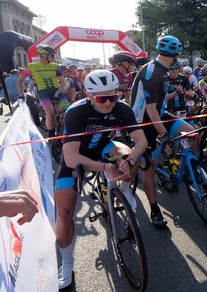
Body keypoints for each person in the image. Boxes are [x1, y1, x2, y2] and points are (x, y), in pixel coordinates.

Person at [55, 70, 147, 289]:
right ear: (88, 95)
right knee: (65, 213)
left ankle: (124, 191)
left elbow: (141, 142)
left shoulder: (122, 108)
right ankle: (67, 263)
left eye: (113, 97)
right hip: (77, 155)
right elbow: (70, 157)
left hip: (104, 147)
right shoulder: (76, 112)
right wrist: (105, 167)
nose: (108, 103)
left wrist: (129, 161)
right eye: (101, 99)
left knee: (129, 158)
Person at [131, 35, 198, 227]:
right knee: (149, 169)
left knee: (193, 132)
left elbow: (159, 105)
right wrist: (165, 136)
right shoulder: (152, 71)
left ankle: (185, 167)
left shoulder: (163, 69)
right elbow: (150, 111)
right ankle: (154, 209)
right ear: (175, 56)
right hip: (143, 123)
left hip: (160, 114)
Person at [17, 45, 69, 137]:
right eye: (52, 55)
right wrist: (21, 94)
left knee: (67, 111)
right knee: (50, 112)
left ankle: (65, 130)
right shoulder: (32, 66)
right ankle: (51, 135)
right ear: (44, 55)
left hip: (56, 91)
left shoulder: (55, 66)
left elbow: (62, 82)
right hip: (43, 92)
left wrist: (57, 93)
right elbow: (20, 80)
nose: (53, 57)